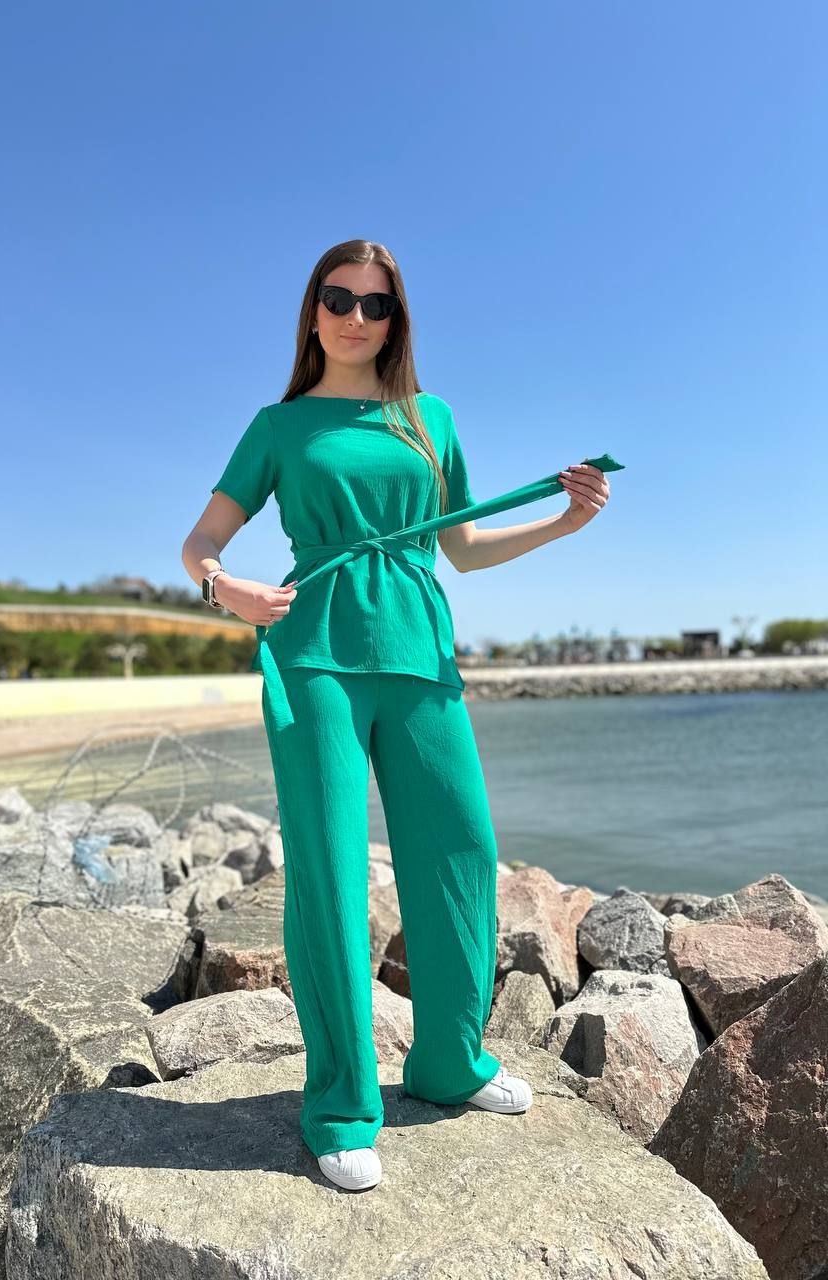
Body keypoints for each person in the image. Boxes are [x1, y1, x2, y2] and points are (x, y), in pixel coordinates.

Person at [182, 239, 611, 1192]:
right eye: (339, 299)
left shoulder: (431, 418)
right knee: (332, 873)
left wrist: (564, 521)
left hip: (421, 651)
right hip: (314, 656)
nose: (356, 318)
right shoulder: (280, 426)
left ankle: (450, 1063)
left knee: (460, 847)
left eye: (376, 305)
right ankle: (340, 1105)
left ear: (396, 320)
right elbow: (202, 538)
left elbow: (464, 547)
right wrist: (224, 588)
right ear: (313, 310)